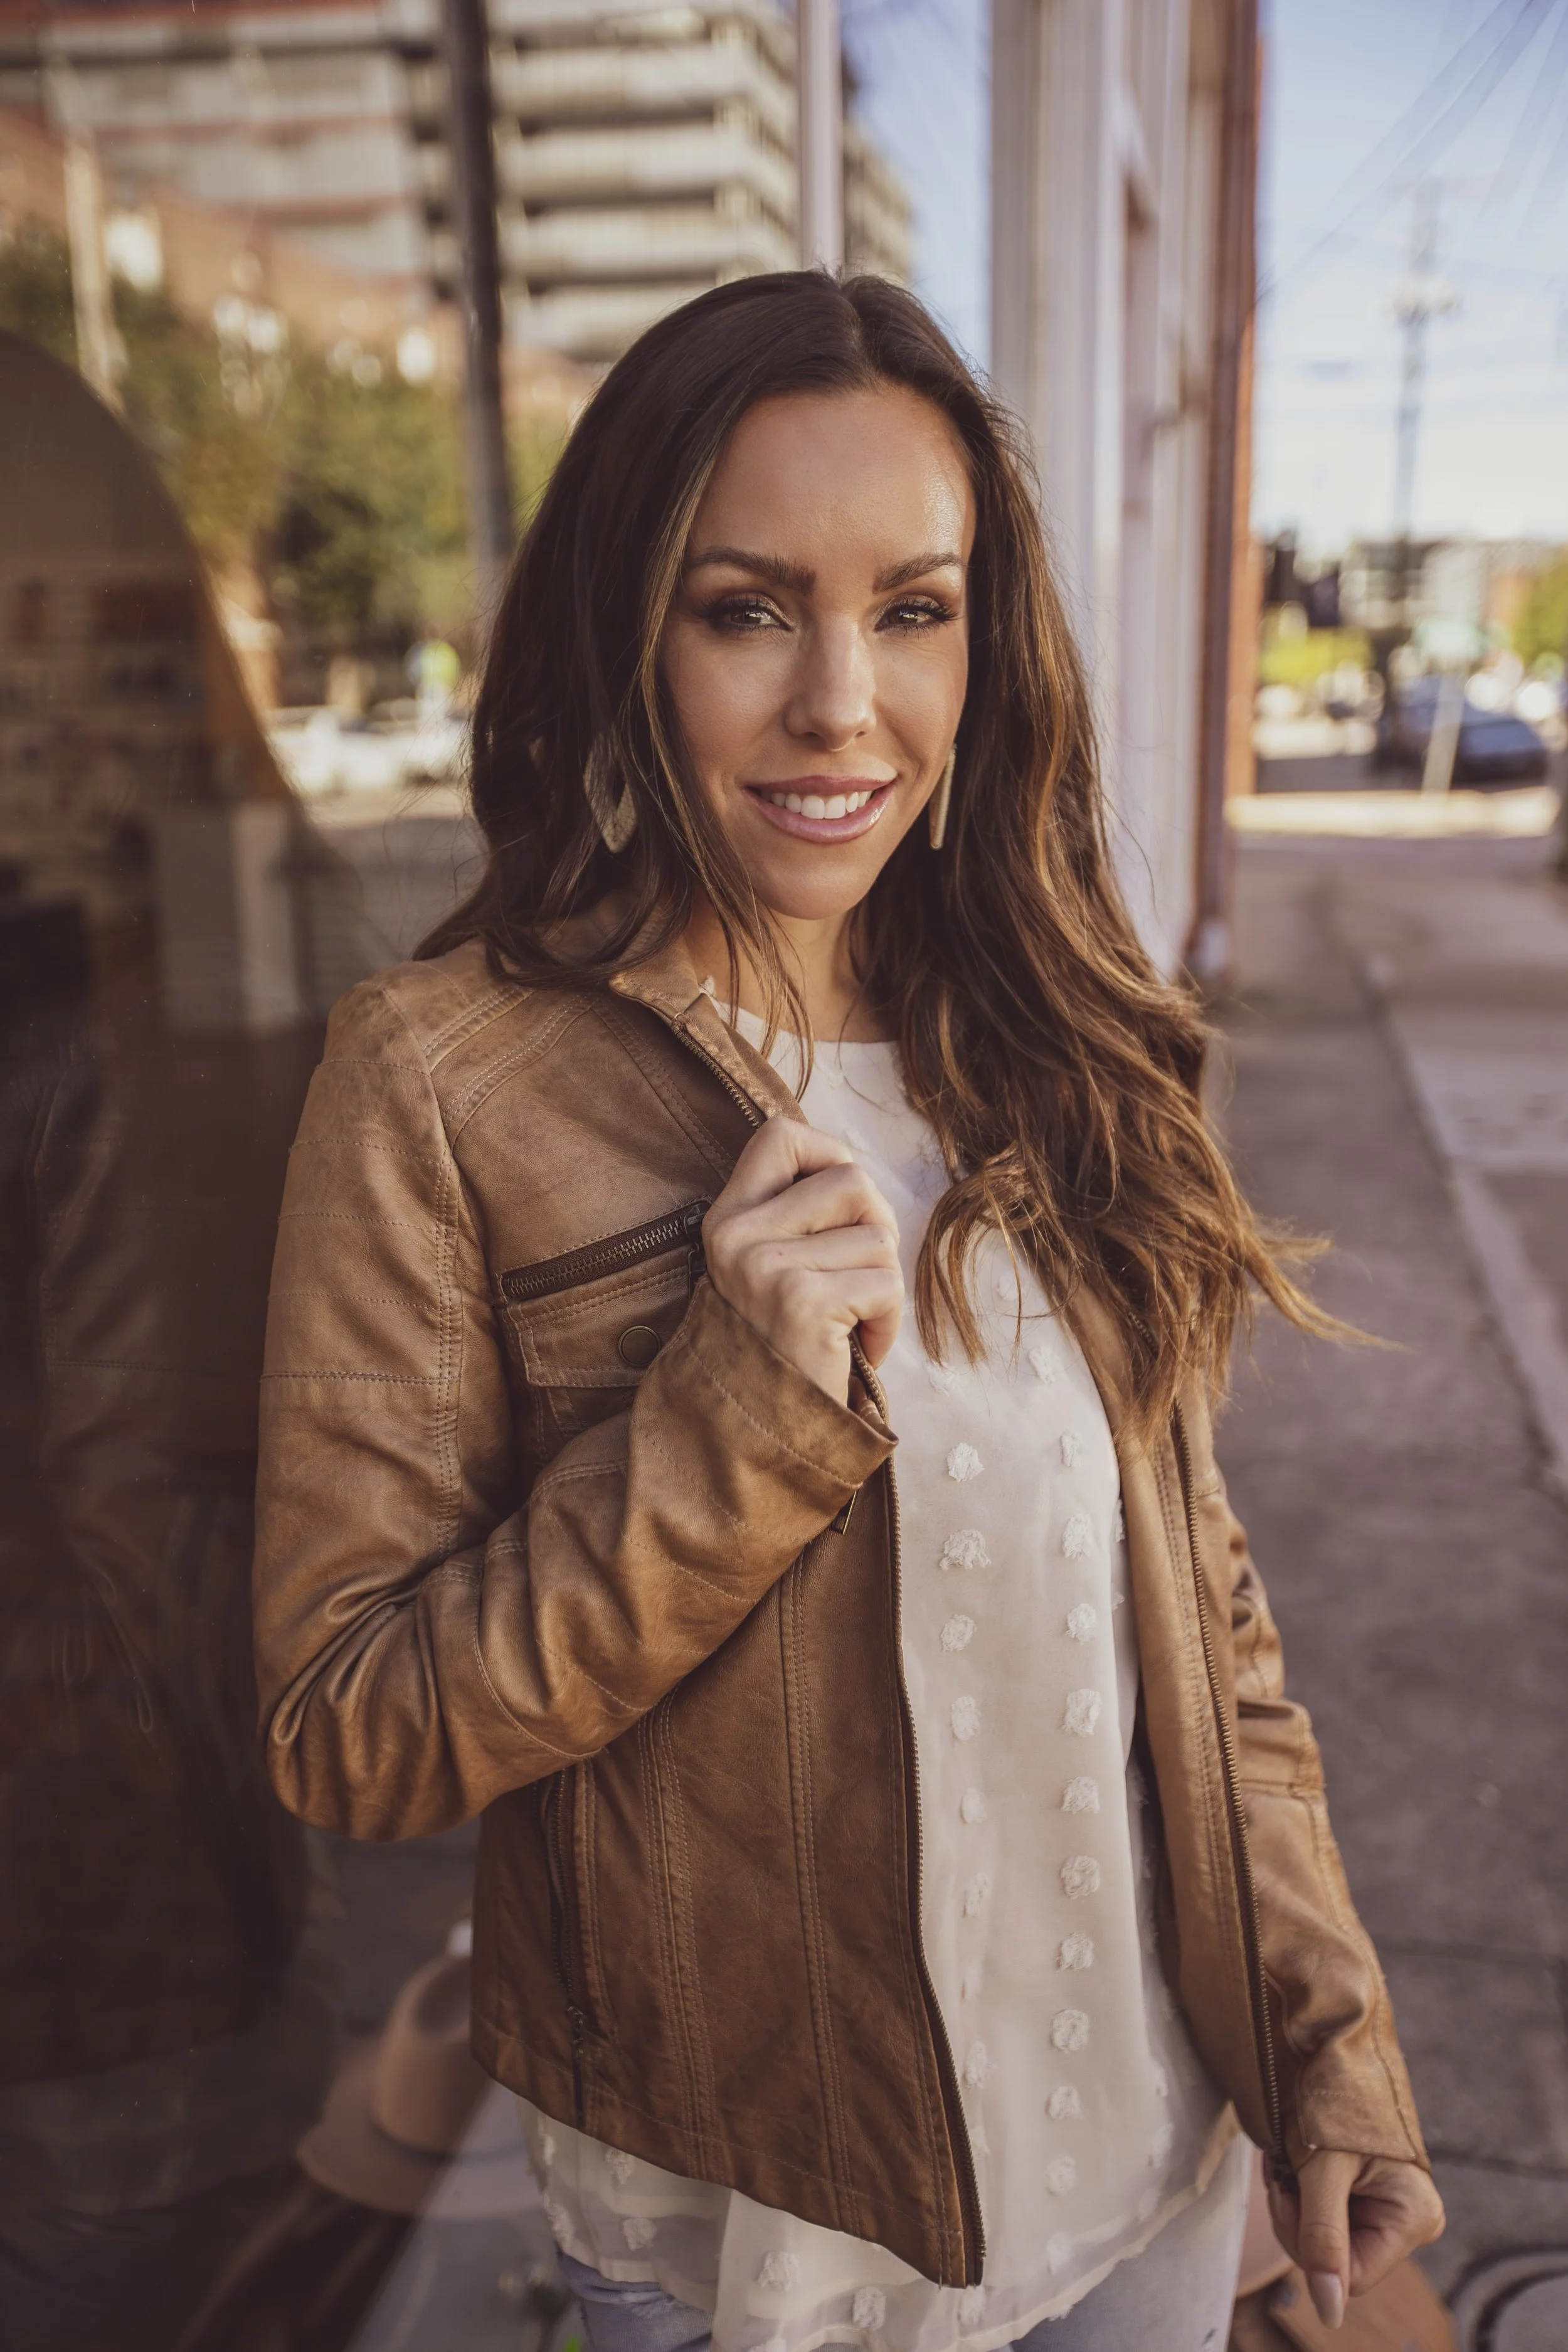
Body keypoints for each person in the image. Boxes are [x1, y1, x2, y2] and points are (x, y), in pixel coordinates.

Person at [252, 273, 1443, 2352]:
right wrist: (720, 1430)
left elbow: (1196, 1614)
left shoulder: (1057, 1039)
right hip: (753, 2231)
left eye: (911, 610)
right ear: (626, 637)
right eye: (743, 610)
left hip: (1146, 2162)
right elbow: (344, 1730)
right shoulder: (445, 1082)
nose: (839, 704)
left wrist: (1320, 2038)